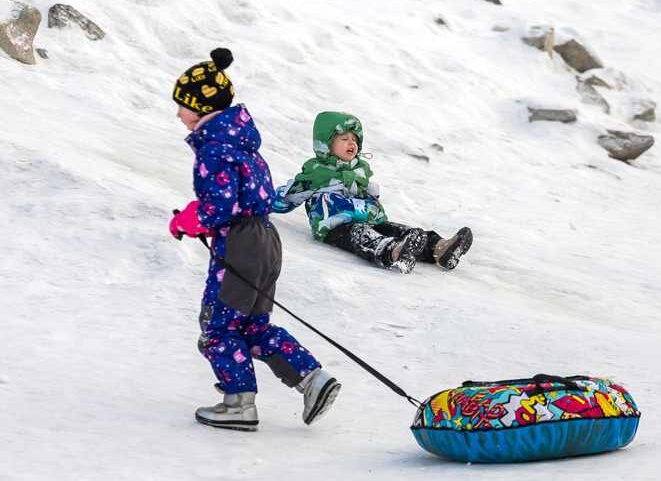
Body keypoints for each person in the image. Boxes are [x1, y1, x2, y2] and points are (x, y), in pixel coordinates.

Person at [168, 48, 340, 431]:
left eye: (182, 105)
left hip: (240, 244)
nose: (179, 114)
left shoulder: (214, 149)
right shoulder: (244, 146)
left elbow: (221, 206)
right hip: (266, 239)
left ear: (200, 107)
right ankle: (313, 379)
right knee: (252, 327)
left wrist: (188, 219)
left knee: (219, 327)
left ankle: (239, 405)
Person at [272, 111, 472, 273]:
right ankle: (392, 252)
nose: (352, 143)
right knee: (362, 234)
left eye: (354, 139)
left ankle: (439, 249)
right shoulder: (316, 174)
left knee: (400, 231)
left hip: (367, 218)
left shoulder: (358, 171)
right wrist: (260, 201)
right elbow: (286, 198)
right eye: (344, 139)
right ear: (326, 144)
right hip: (336, 226)